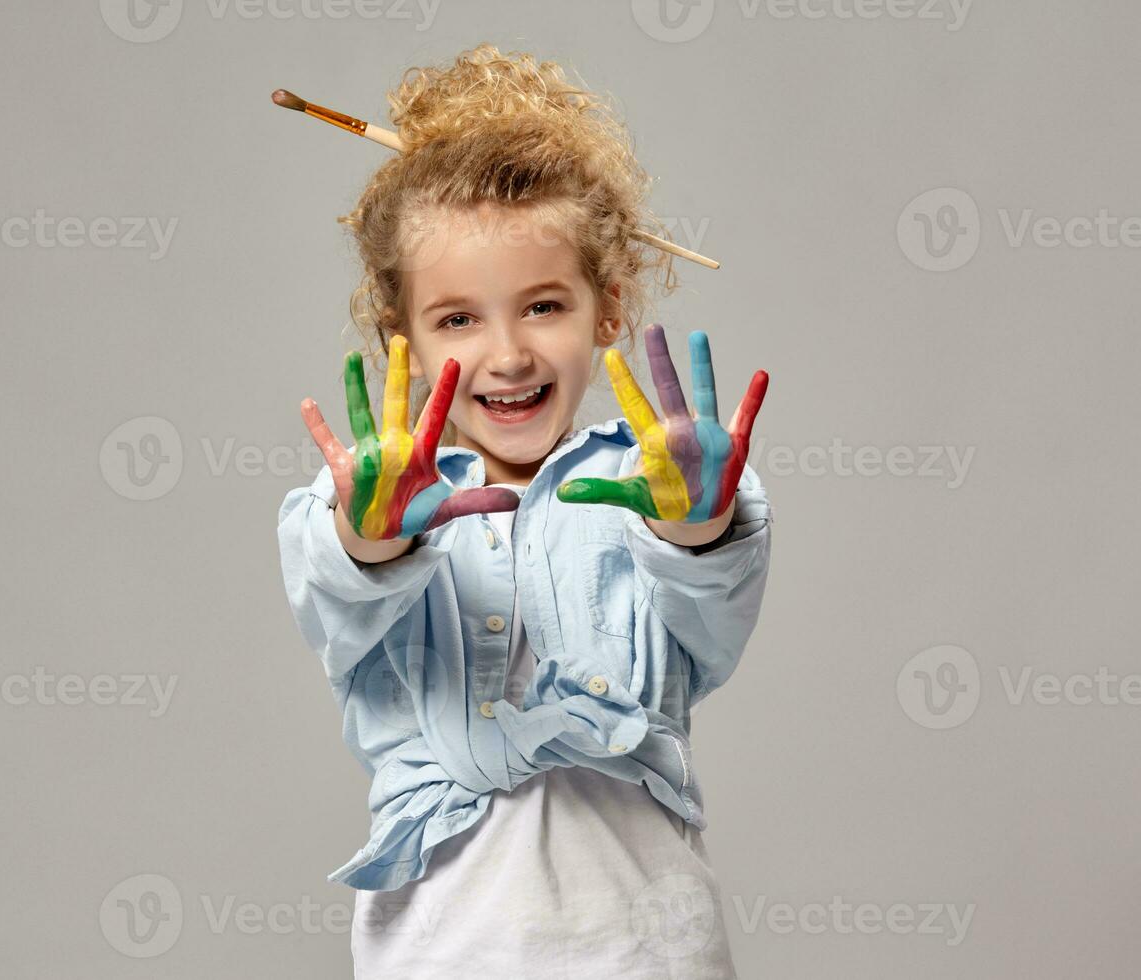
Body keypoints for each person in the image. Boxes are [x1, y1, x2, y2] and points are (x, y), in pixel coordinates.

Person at [276, 43, 772, 978]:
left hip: (648, 948)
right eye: (458, 318)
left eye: (543, 305)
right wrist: (372, 534)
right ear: (403, 341)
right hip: (441, 949)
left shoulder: (658, 481)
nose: (506, 354)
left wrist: (697, 526)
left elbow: (713, 617)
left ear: (609, 308)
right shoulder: (362, 498)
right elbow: (332, 587)